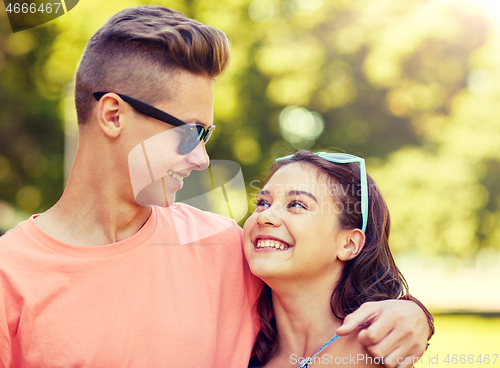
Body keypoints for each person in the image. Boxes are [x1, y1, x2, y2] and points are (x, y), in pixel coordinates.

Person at [0, 6, 432, 368]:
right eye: (189, 133)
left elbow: (324, 294)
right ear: (113, 115)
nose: (202, 158)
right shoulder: (10, 277)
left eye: (206, 136)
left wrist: (413, 314)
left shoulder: (225, 247)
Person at [244, 151, 432, 368]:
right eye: (263, 203)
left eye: (296, 204)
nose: (264, 216)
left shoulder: (374, 357)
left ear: (349, 244)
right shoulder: (239, 351)